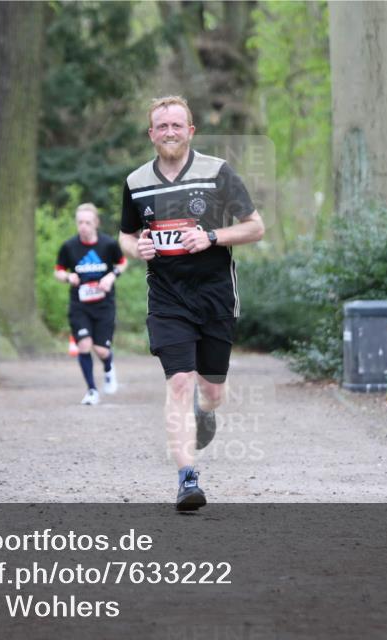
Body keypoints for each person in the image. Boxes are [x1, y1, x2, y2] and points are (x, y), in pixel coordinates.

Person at [119, 96, 264, 511]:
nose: (169, 132)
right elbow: (127, 234)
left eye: (176, 125)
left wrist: (212, 237)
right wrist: (136, 248)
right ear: (151, 133)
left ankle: (207, 409)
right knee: (180, 381)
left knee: (211, 389)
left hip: (215, 296)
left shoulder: (217, 173)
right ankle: (187, 478)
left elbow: (255, 227)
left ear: (191, 131)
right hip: (167, 299)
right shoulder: (136, 182)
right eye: (162, 126)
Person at [55, 203, 127, 405]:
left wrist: (111, 276)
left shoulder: (108, 244)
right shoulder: (69, 247)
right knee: (84, 345)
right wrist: (68, 277)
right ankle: (92, 390)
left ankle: (108, 368)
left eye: (87, 222)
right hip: (80, 305)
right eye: (80, 222)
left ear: (96, 223)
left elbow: (122, 263)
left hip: (104, 305)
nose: (83, 226)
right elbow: (58, 270)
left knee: (101, 350)